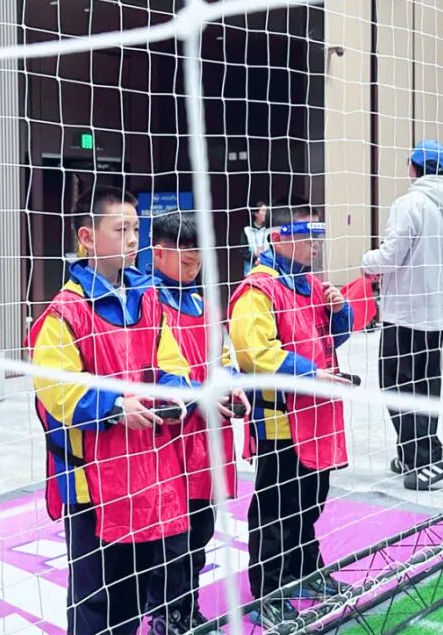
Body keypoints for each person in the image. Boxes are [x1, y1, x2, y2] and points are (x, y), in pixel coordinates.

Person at [27, 186, 191, 635]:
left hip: (146, 470)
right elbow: (55, 389)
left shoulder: (149, 299)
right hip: (89, 481)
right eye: (121, 230)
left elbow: (172, 363)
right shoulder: (64, 312)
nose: (133, 239)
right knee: (95, 597)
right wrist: (115, 406)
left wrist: (175, 394)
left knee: (135, 590)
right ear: (87, 237)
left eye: (136, 229)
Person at [228, 199, 353, 628]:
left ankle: (304, 567)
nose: (316, 245)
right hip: (279, 419)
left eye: (319, 235)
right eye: (307, 235)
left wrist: (340, 312)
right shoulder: (258, 289)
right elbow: (254, 353)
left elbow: (331, 338)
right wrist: (311, 373)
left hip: (316, 417)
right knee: (275, 507)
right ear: (279, 238)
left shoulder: (310, 284)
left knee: (310, 501)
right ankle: (269, 589)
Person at [143, 210, 247, 635]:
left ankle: (188, 609)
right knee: (169, 539)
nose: (193, 268)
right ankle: (164, 613)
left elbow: (222, 361)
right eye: (186, 260)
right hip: (168, 439)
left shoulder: (205, 305)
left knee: (200, 532)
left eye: (198, 260)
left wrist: (234, 385)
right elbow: (150, 372)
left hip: (207, 441)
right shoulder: (146, 304)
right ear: (159, 254)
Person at [361, 140, 443, 491]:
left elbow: (392, 256)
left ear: (413, 167)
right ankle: (412, 454)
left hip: (403, 314)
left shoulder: (409, 203)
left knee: (397, 387)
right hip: (435, 315)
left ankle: (424, 458)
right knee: (426, 386)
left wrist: (366, 261)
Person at [242, 201, 270, 275]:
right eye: (263, 211)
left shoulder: (269, 229)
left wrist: (264, 260)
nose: (266, 213)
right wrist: (255, 259)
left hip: (268, 269)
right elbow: (242, 250)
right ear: (256, 214)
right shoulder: (247, 230)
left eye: (267, 211)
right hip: (250, 270)